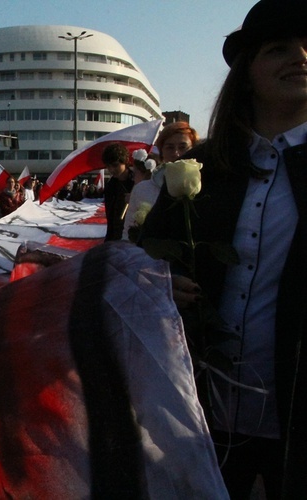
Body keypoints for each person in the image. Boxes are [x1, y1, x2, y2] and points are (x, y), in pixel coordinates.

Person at [142, 2, 307, 497]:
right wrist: (161, 281)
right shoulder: (201, 166)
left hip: (295, 416)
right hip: (202, 409)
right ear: (247, 73)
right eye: (278, 48)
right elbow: (149, 257)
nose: (300, 57)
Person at [121, 150, 157, 241]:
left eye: (135, 173)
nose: (133, 178)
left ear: (145, 172)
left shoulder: (140, 189)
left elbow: (129, 225)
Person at [101, 142, 133, 241]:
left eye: (115, 165)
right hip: (116, 236)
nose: (111, 169)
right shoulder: (110, 186)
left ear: (125, 162)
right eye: (108, 166)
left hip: (135, 236)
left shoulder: (137, 181)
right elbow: (110, 218)